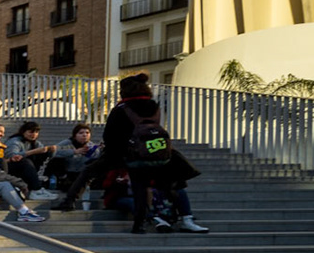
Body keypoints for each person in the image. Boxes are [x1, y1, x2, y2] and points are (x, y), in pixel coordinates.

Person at [103, 73, 208, 233]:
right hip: (159, 152)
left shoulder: (121, 108)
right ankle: (187, 218)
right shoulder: (153, 105)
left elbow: (109, 135)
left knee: (140, 189)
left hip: (134, 155)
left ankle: (140, 224)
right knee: (176, 184)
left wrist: (114, 156)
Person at [4, 121, 60, 199]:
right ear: (24, 132)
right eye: (31, 132)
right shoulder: (15, 141)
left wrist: (51, 151)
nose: (34, 135)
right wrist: (34, 151)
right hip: (10, 168)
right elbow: (12, 157)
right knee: (26, 161)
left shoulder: (35, 143)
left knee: (52, 158)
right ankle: (36, 189)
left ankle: (41, 186)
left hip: (27, 169)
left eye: (36, 132)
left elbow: (47, 156)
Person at [47, 123, 100, 191]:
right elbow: (53, 151)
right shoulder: (67, 142)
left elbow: (96, 157)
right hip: (67, 171)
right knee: (56, 160)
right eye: (81, 133)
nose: (85, 135)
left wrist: (93, 152)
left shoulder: (92, 146)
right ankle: (59, 179)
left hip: (82, 172)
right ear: (75, 135)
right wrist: (73, 152)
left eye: (87, 133)